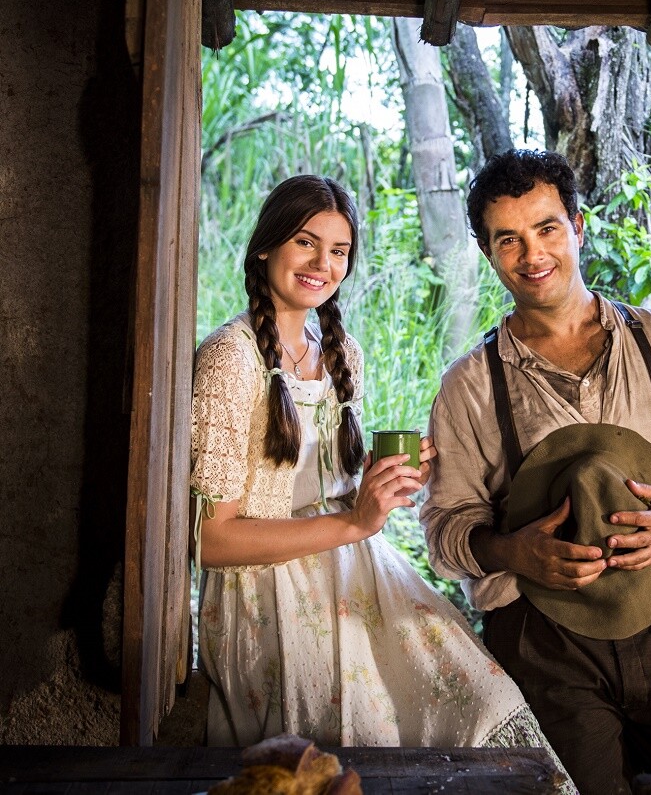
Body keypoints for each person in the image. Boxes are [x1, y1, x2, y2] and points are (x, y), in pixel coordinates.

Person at [189, 174, 575, 791]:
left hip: (353, 560)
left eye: (338, 251)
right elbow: (211, 540)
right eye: (305, 243)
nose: (322, 264)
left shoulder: (340, 349)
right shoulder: (228, 359)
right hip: (265, 592)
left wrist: (382, 483)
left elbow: (326, 487)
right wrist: (351, 522)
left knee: (475, 695)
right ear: (265, 247)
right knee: (357, 741)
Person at [421, 150, 651, 795]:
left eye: (547, 228)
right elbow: (446, 527)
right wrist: (511, 550)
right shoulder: (468, 386)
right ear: (488, 251)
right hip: (539, 636)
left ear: (578, 227)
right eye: (508, 240)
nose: (532, 254)